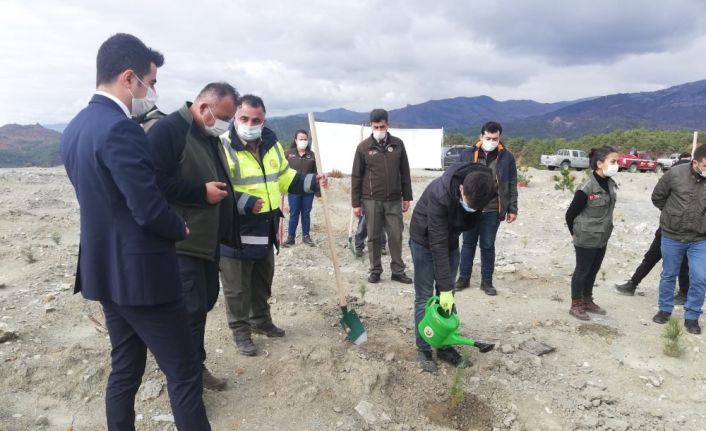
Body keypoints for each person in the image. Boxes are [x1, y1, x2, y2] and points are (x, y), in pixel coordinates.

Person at [59, 33, 210, 430]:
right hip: (143, 278)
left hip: (104, 271)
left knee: (125, 369)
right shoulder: (120, 128)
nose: (153, 90)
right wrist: (180, 226)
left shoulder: (75, 127)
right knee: (184, 371)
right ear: (130, 78)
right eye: (152, 81)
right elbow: (146, 207)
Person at [146, 82, 239, 391]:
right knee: (189, 312)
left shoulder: (207, 135)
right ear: (203, 108)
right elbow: (153, 183)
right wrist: (201, 193)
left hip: (206, 243)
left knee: (203, 305)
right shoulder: (169, 131)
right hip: (183, 243)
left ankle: (194, 367)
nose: (227, 124)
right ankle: (185, 379)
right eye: (225, 116)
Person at [220, 95, 328, 356]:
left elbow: (284, 178)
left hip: (265, 227)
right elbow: (218, 186)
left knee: (262, 282)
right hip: (236, 230)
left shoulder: (271, 144)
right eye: (244, 118)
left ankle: (261, 321)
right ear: (235, 117)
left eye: (255, 120)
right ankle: (241, 332)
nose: (249, 124)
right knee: (237, 288)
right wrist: (244, 202)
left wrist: (312, 182)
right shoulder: (222, 145)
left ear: (263, 120)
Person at [409, 161, 496, 371]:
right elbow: (436, 244)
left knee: (446, 301)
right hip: (424, 240)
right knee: (425, 296)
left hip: (449, 239)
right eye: (468, 203)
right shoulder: (440, 195)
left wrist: (446, 292)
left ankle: (444, 346)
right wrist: (446, 288)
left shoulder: (485, 188)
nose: (471, 208)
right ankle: (424, 348)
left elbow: (468, 223)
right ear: (461, 188)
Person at [455, 121, 518, 295]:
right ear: (481, 136)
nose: (491, 141)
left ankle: (487, 282)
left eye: (495, 138)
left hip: (492, 208)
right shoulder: (468, 154)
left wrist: (513, 208)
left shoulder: (507, 157)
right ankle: (463, 278)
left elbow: (511, 183)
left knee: (488, 246)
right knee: (468, 243)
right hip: (469, 208)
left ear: (500, 138)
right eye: (488, 138)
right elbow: (456, 177)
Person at [351, 109, 413, 284]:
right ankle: (375, 270)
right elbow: (356, 176)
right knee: (373, 236)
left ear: (388, 124)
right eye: (376, 126)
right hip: (371, 199)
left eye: (382, 126)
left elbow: (405, 171)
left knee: (396, 235)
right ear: (371, 125)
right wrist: (356, 203)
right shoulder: (363, 147)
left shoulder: (398, 145)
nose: (379, 129)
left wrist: (407, 196)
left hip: (394, 199)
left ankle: (398, 271)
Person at [651, 144, 706, 334]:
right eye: (705, 166)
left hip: (700, 238)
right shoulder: (674, 174)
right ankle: (664, 310)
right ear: (695, 162)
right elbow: (657, 197)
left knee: (700, 278)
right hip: (673, 236)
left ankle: (692, 317)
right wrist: (672, 214)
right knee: (669, 274)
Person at [565, 146, 619, 320]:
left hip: (602, 235)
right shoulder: (587, 187)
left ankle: (587, 299)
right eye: (613, 161)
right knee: (582, 270)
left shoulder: (610, 183)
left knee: (593, 270)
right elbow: (570, 214)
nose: (617, 165)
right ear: (599, 164)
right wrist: (575, 234)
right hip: (586, 236)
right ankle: (576, 304)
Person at [614, 228, 689, 304]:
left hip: (682, 236)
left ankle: (684, 294)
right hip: (664, 232)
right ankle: (632, 284)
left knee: (683, 263)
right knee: (650, 258)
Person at [282, 129, 319, 247]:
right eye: (301, 139)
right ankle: (291, 237)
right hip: (294, 189)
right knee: (294, 213)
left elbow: (316, 173)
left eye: (305, 139)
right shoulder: (288, 154)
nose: (303, 141)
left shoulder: (312, 155)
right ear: (295, 140)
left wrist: (318, 190)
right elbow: (282, 171)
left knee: (306, 213)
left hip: (308, 189)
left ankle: (306, 236)